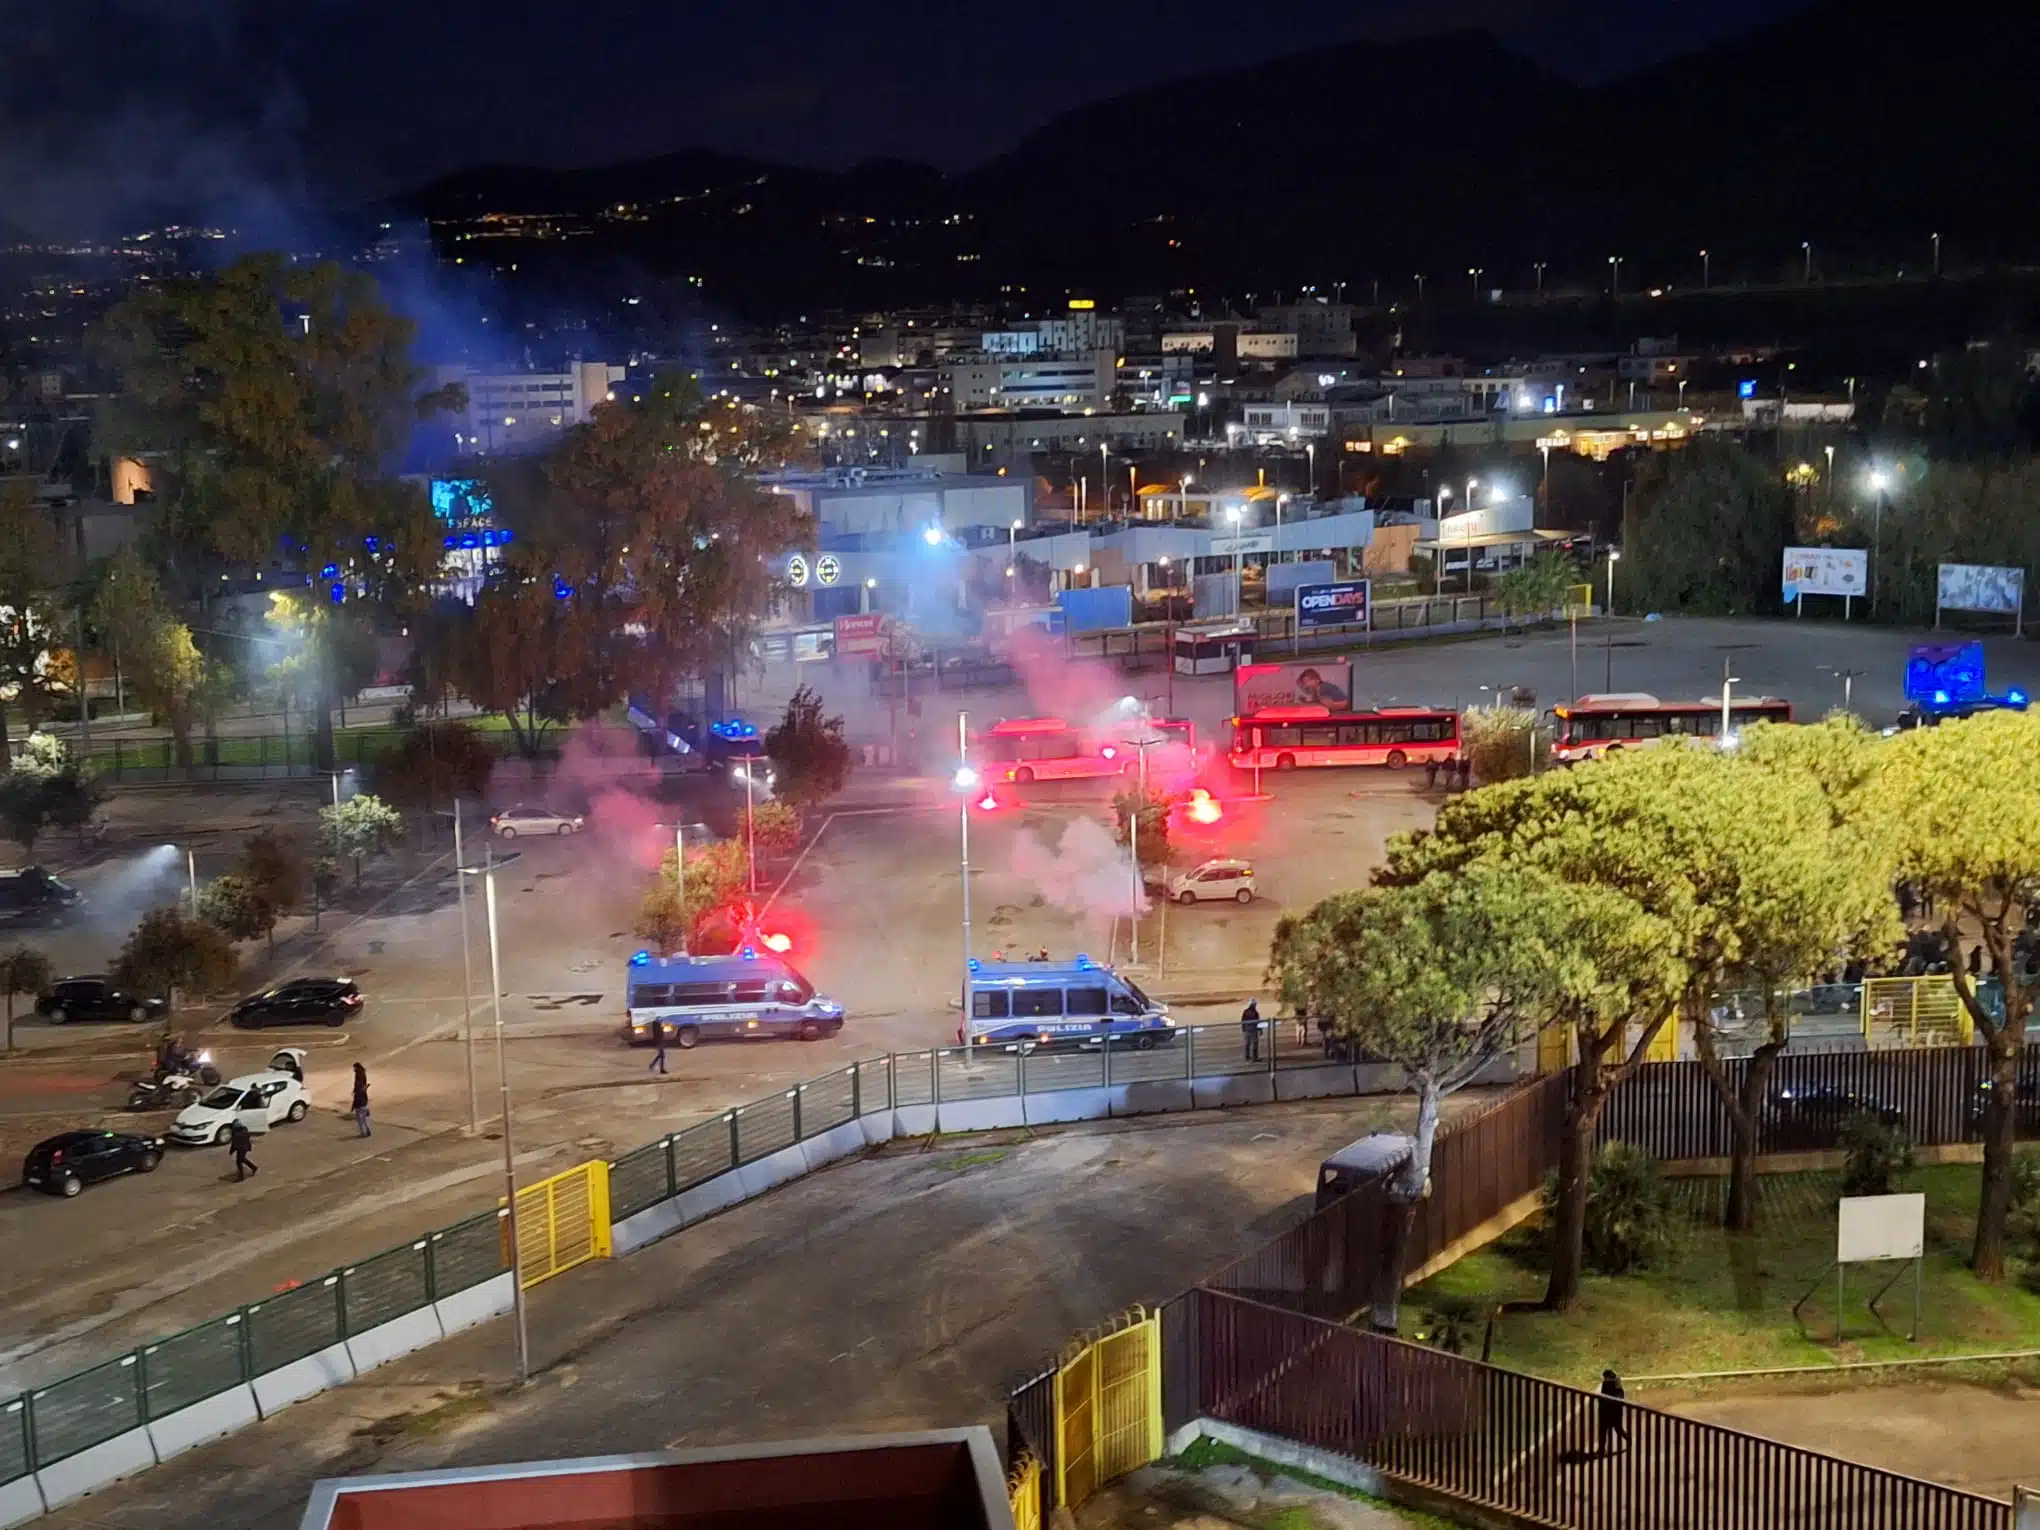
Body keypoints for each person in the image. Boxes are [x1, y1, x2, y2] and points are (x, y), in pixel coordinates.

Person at [1597, 1369, 1629, 1453]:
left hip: (1614, 1412)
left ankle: (1628, 1439)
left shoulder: (1617, 1388)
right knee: (1603, 1431)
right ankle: (1601, 1449)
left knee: (1618, 1429)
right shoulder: (1606, 1384)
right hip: (1606, 1411)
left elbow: (1619, 1400)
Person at [350, 1063, 371, 1137]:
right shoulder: (363, 1074)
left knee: (360, 1119)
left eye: (354, 1068)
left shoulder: (358, 1076)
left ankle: (363, 1133)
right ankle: (368, 1130)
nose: (354, 1069)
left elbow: (356, 1097)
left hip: (359, 1104)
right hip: (364, 1102)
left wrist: (353, 1106)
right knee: (365, 1118)